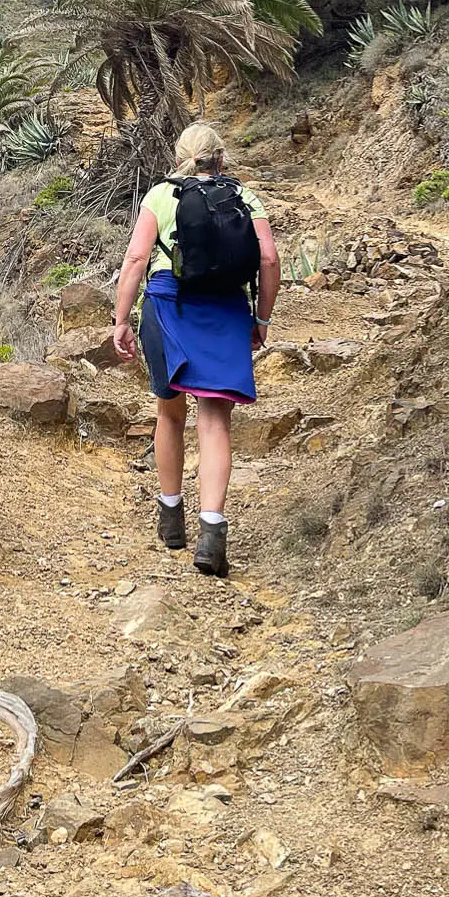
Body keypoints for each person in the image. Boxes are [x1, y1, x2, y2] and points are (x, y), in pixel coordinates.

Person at [111, 124, 280, 578]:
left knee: (169, 412)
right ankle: (211, 532)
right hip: (226, 308)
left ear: (180, 156)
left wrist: (122, 319)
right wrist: (260, 321)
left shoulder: (161, 195)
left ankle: (170, 519)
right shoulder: (244, 196)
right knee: (214, 418)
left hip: (169, 305)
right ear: (221, 159)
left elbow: (135, 260)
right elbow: (267, 260)